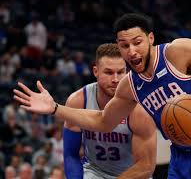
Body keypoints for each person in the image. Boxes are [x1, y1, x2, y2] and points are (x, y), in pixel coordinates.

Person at [14, 13, 191, 179]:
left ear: (150, 39)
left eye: (137, 42)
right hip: (180, 157)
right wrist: (55, 108)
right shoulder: (130, 86)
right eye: (124, 46)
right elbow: (103, 121)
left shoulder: (177, 53)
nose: (132, 51)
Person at [63, 43, 156, 178]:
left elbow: (145, 166)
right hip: (95, 171)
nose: (115, 79)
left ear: (127, 72)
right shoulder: (78, 101)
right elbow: (71, 154)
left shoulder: (139, 108)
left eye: (120, 72)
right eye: (108, 72)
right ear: (96, 71)